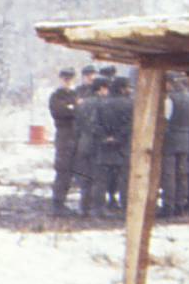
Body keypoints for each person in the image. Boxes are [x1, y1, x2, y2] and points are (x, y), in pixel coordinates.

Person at [71, 75, 110, 216]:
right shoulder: (103, 103)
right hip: (98, 144)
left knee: (85, 177)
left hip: (83, 143)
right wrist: (105, 136)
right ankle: (98, 208)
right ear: (102, 88)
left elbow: (77, 125)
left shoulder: (82, 103)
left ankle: (84, 207)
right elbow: (100, 124)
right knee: (99, 177)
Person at [47, 67, 80, 214]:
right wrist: (74, 108)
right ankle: (58, 203)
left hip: (77, 136)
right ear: (61, 79)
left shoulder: (76, 94)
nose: (67, 81)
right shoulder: (56, 96)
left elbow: (81, 112)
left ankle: (70, 203)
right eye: (65, 79)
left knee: (77, 170)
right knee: (63, 170)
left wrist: (73, 108)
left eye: (70, 79)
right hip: (64, 136)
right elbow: (60, 112)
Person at [100, 75, 134, 214]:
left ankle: (109, 201)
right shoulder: (130, 104)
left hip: (105, 144)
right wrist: (118, 137)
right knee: (124, 176)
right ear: (122, 89)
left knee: (107, 174)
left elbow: (97, 122)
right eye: (128, 87)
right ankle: (125, 204)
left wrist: (106, 137)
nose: (130, 90)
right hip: (124, 144)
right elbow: (130, 124)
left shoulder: (103, 103)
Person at [164, 73, 189, 219]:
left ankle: (168, 205)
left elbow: (165, 119)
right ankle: (180, 204)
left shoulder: (169, 99)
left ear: (170, 83)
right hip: (186, 139)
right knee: (182, 173)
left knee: (169, 174)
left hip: (170, 140)